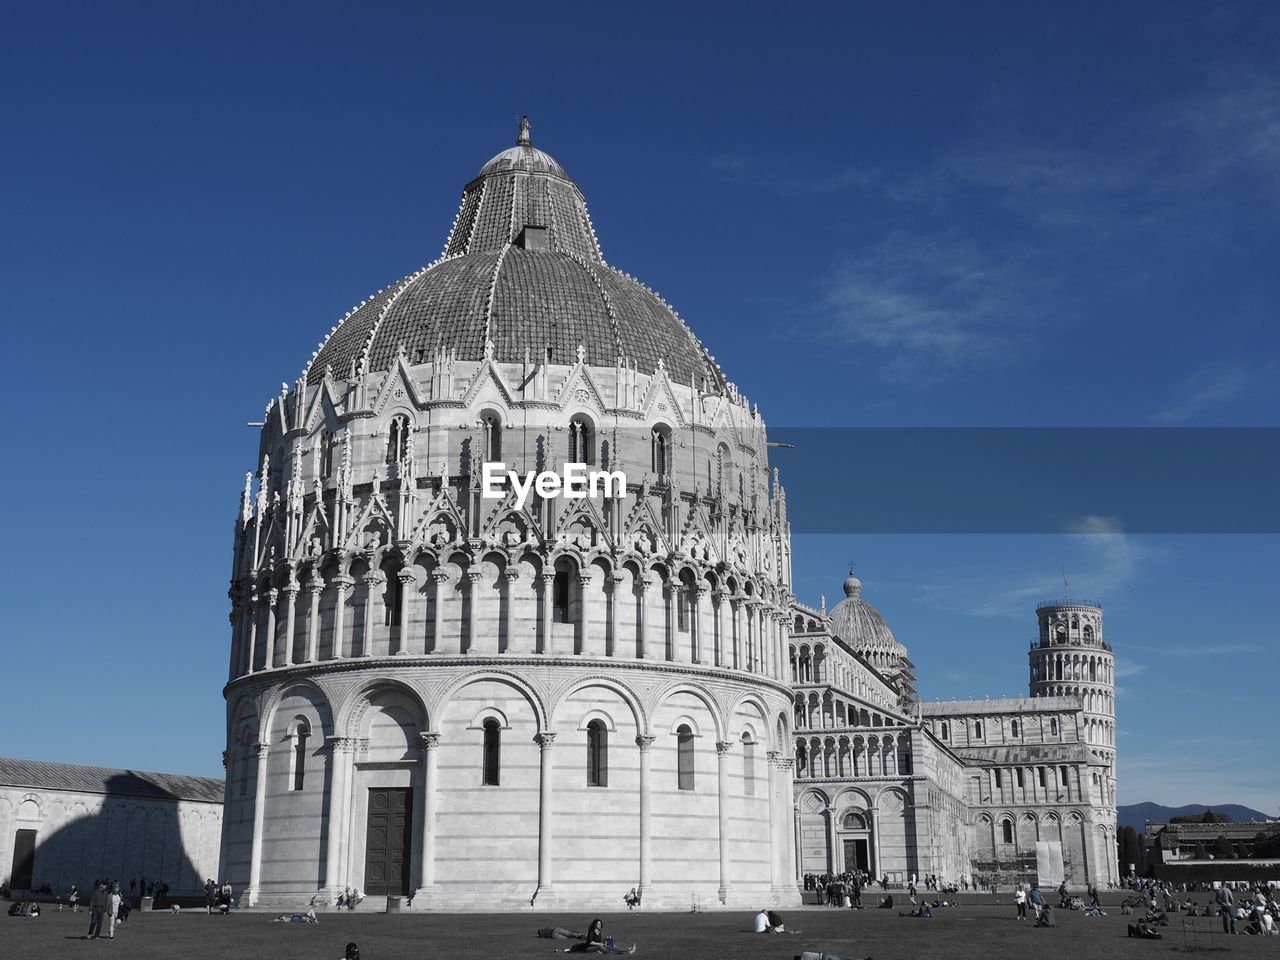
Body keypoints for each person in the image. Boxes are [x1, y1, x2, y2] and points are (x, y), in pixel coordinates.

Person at [563, 918, 635, 954]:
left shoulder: (599, 931)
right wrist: (601, 944)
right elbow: (590, 942)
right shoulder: (592, 931)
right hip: (588, 948)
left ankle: (628, 949)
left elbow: (598, 941)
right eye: (598, 924)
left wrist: (605, 941)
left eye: (600, 924)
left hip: (595, 946)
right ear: (595, 925)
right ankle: (616, 953)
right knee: (600, 946)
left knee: (611, 944)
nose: (599, 925)